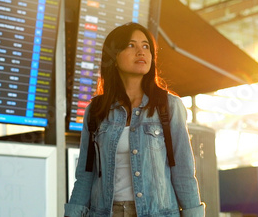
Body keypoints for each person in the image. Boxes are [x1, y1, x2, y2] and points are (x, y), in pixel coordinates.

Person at [65, 22, 205, 217]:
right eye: (131, 45)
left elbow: (183, 170)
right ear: (114, 57)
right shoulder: (96, 111)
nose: (141, 52)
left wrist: (193, 213)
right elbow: (85, 175)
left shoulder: (168, 106)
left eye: (146, 46)